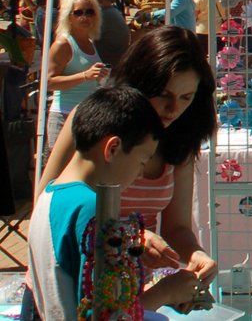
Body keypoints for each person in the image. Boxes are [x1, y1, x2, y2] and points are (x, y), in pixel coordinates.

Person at [39, 26, 219, 298]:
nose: (174, 109)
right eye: (164, 95)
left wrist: (196, 254)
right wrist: (134, 239)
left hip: (128, 296)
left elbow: (177, 227)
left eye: (186, 98)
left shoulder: (181, 139)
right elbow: (49, 203)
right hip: (76, 289)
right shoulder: (90, 119)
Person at [29, 85, 196, 321]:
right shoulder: (93, 208)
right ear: (113, 148)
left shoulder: (51, 194)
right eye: (142, 161)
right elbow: (105, 314)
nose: (139, 175)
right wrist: (165, 292)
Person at [44, 0, 109, 155]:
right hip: (64, 117)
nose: (85, 17)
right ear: (68, 17)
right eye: (78, 12)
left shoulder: (89, 42)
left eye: (90, 12)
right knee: (58, 175)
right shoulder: (63, 44)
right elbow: (49, 82)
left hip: (87, 116)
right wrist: (85, 75)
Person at [89, 0, 131, 67]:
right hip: (117, 58)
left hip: (108, 62)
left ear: (99, 2)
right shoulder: (113, 11)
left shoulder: (104, 15)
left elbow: (87, 37)